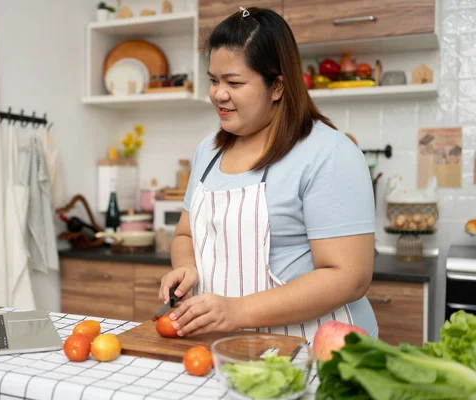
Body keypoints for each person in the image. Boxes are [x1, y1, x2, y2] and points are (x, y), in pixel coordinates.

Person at [158, 6, 378, 343]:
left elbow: (349, 277)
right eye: (214, 81)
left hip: (315, 347)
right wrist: (186, 267)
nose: (219, 93)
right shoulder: (208, 151)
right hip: (228, 345)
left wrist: (236, 311)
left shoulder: (328, 154)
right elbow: (185, 235)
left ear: (277, 86)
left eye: (234, 82)